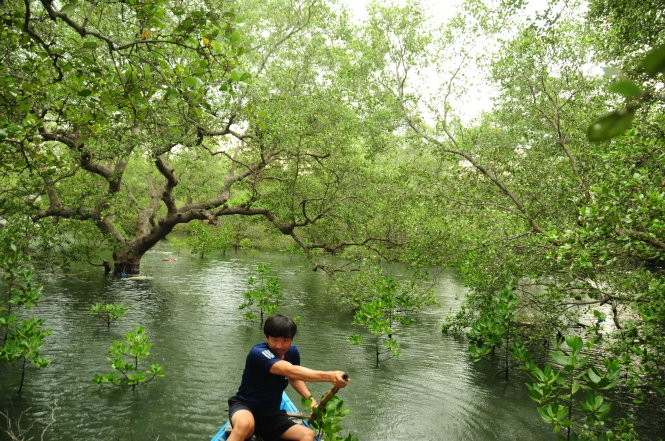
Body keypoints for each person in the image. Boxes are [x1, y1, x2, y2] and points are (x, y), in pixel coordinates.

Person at [227, 314, 349, 441]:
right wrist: (330, 376)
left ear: (292, 339)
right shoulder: (258, 352)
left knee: (308, 435)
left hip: (271, 415)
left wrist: (311, 400)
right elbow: (290, 370)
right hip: (245, 407)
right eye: (274, 340)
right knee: (244, 425)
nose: (280, 346)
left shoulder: (292, 352)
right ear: (266, 337)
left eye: (285, 341)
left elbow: (294, 378)